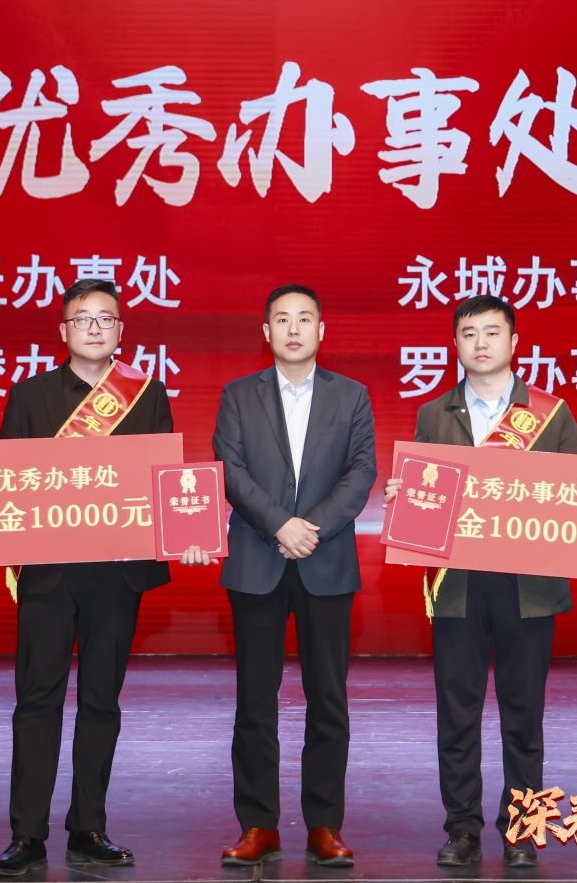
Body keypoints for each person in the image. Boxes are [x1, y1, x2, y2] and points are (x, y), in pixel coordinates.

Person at [0, 279, 177, 876]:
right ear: (63, 331)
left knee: (101, 702)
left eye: (106, 318)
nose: (94, 328)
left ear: (121, 331)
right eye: (82, 318)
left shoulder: (147, 395)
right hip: (48, 574)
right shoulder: (31, 395)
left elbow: (164, 480)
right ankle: (26, 835)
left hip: (117, 574)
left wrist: (184, 533)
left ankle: (89, 827)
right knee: (37, 701)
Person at [381, 295, 577, 867]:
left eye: (492, 332)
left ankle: (522, 829)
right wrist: (403, 496)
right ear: (455, 343)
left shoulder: (551, 414)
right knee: (457, 714)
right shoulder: (433, 414)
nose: (481, 343)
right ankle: (462, 829)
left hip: (528, 586)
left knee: (524, 716)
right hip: (458, 585)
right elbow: (425, 496)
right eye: (469, 333)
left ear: (515, 343)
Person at [205, 284, 376, 867]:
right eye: (283, 319)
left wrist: (312, 529)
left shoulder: (352, 395)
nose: (294, 329)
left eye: (305, 319)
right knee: (255, 700)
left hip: (326, 563)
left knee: (328, 698)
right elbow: (230, 469)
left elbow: (361, 472)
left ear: (322, 330)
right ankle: (258, 824)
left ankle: (324, 824)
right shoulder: (238, 395)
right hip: (257, 560)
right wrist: (280, 524)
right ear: (266, 332)